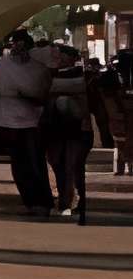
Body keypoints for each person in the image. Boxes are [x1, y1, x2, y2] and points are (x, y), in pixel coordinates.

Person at [0, 32, 55, 216]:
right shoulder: (33, 68)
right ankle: (37, 201)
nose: (17, 49)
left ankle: (37, 201)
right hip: (20, 122)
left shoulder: (7, 66)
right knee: (30, 163)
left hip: (24, 122)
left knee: (25, 163)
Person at [44, 43, 114, 223]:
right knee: (62, 164)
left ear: (71, 58)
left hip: (75, 129)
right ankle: (69, 200)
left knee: (70, 165)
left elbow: (96, 105)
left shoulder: (85, 78)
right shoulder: (49, 76)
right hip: (59, 129)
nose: (58, 58)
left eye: (61, 55)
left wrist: (104, 130)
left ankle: (70, 202)